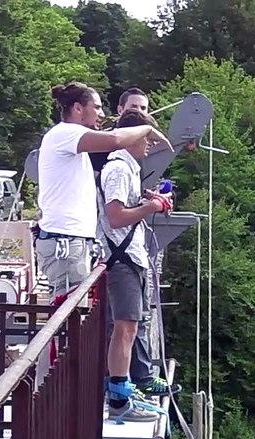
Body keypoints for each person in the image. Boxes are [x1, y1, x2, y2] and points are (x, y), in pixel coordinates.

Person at [34, 82, 169, 299]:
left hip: (71, 240)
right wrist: (147, 129)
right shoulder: (66, 133)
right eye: (96, 107)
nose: (101, 113)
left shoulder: (70, 141)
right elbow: (115, 140)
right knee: (68, 315)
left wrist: (142, 196)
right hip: (66, 240)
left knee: (72, 313)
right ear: (78, 109)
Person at [98, 109, 174, 422]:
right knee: (126, 328)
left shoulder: (126, 169)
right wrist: (151, 206)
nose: (149, 146)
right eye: (147, 139)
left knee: (130, 326)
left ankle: (124, 391)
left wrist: (146, 198)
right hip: (122, 260)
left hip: (129, 258)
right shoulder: (118, 169)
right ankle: (119, 399)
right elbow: (115, 216)